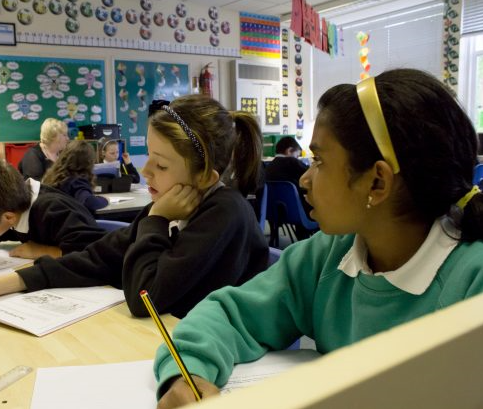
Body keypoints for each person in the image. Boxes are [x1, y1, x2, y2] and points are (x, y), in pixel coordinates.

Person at [153, 69, 483, 408]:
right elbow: (229, 314)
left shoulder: (472, 283)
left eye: (319, 161)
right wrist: (188, 375)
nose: (306, 179)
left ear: (377, 183)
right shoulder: (328, 256)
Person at [0, 95, 269, 319]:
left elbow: (146, 299)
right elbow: (95, 259)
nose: (145, 173)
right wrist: (6, 283)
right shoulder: (172, 206)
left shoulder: (223, 214)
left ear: (204, 177)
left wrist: (156, 220)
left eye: (159, 165)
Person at [264, 136, 315, 241]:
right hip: (299, 213)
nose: (297, 157)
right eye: (297, 154)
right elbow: (314, 177)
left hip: (276, 214)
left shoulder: (268, 166)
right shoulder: (292, 162)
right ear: (289, 151)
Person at [42, 140, 109, 214]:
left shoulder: (52, 176)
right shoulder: (76, 181)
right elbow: (89, 202)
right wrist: (104, 200)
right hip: (70, 223)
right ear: (88, 162)